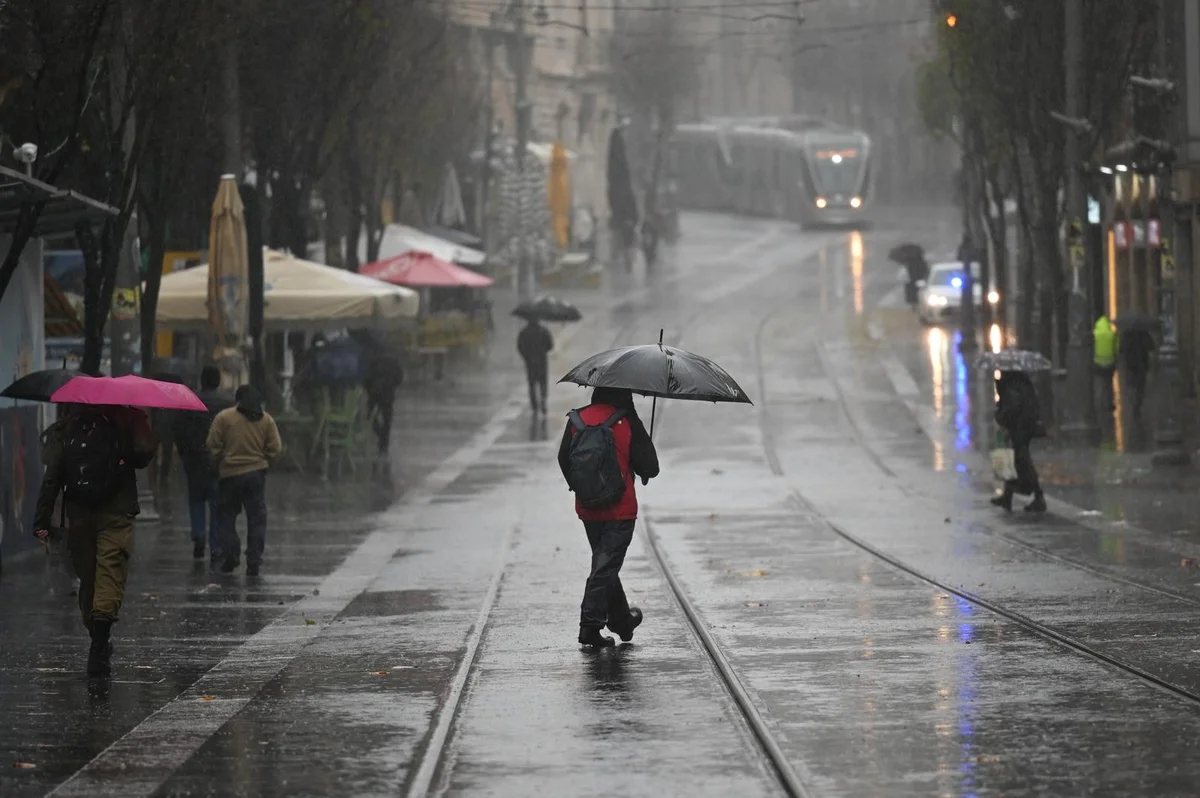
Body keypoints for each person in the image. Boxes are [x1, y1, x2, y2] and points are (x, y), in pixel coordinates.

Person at [34, 404, 157, 678]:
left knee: (88, 579)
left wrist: (41, 520)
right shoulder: (125, 418)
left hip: (80, 514)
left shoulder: (68, 425)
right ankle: (99, 644)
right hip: (117, 511)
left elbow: (52, 473)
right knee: (109, 572)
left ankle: (97, 638)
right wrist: (133, 425)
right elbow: (144, 453)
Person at [557, 387, 660, 648]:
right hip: (620, 510)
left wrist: (581, 488)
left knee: (605, 564)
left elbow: (563, 459)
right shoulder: (627, 419)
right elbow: (651, 468)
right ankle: (589, 626)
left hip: (589, 509)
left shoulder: (577, 419)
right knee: (604, 567)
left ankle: (622, 621)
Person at [206, 385, 282, 576]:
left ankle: (231, 554)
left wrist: (217, 466)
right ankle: (254, 559)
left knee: (226, 517)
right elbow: (275, 448)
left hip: (229, 476)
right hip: (255, 475)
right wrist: (266, 464)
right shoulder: (266, 420)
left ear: (237, 400)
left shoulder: (224, 418)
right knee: (256, 519)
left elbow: (213, 446)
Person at [173, 366, 234, 562]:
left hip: (194, 458)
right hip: (218, 459)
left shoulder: (189, 401)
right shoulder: (228, 403)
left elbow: (179, 430)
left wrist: (184, 452)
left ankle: (198, 537)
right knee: (217, 503)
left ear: (202, 380)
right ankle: (216, 546)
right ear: (218, 381)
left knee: (196, 499)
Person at [991, 371, 1046, 513]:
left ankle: (1038, 497)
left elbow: (1012, 408)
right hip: (1023, 425)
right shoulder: (1020, 381)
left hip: (1019, 427)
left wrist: (1000, 416)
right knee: (1014, 461)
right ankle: (1008, 496)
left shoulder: (1012, 383)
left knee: (1021, 461)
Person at [364, 348, 403, 459]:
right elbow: (399, 378)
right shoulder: (393, 361)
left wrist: (369, 389)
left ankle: (380, 434)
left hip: (374, 393)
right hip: (388, 393)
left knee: (370, 416)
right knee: (387, 419)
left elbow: (367, 378)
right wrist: (392, 386)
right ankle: (384, 443)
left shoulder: (372, 360)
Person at [518, 318, 554, 415]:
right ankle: (543, 399)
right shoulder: (544, 331)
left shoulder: (524, 333)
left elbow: (520, 346)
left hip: (530, 362)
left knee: (532, 384)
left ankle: (534, 405)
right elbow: (550, 345)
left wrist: (526, 356)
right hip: (542, 361)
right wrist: (543, 350)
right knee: (543, 383)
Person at [1120, 326, 1156, 417]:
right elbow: (1151, 347)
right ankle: (1137, 404)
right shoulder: (1144, 333)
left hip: (1130, 365)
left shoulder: (1126, 334)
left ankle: (1133, 402)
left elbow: (1121, 349)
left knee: (1131, 385)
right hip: (1142, 364)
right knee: (1140, 387)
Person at [1093, 315, 1118, 413]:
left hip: (1098, 362)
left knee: (1100, 384)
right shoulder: (1111, 334)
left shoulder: (1095, 334)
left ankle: (1100, 403)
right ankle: (1109, 402)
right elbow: (1116, 348)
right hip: (1110, 363)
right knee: (1108, 384)